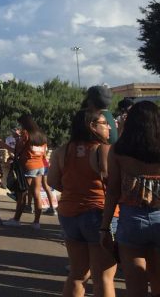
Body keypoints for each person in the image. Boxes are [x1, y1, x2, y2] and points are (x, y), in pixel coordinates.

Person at [48, 108, 116, 297]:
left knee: (78, 273)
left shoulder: (63, 150)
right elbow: (114, 185)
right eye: (105, 123)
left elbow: (52, 181)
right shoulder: (103, 149)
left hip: (69, 213)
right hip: (99, 214)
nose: (109, 127)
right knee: (104, 276)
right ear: (92, 126)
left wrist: (74, 190)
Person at [100, 101, 160, 297]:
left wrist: (105, 227)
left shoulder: (118, 150)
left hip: (131, 220)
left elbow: (113, 192)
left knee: (136, 289)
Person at [6, 114, 48, 228]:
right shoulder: (41, 135)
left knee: (22, 194)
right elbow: (44, 152)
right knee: (37, 194)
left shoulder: (26, 134)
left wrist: (17, 138)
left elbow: (18, 149)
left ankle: (16, 219)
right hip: (40, 165)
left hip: (28, 166)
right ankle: (36, 222)